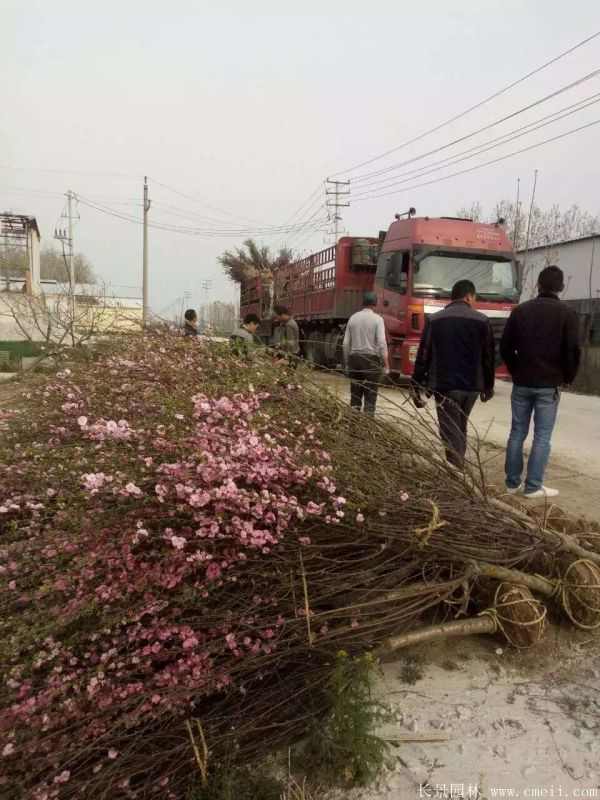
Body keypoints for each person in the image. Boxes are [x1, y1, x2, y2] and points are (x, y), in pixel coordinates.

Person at [501, 265, 581, 499]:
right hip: (549, 384)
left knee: (517, 432)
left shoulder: (520, 311)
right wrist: (567, 377)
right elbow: (572, 351)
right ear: (561, 287)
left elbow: (505, 347)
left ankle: (512, 483)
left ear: (538, 285)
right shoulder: (567, 313)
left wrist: (516, 370)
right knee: (542, 436)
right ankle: (533, 486)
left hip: (522, 381)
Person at [412, 279, 495, 468]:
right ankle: (458, 470)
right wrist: (488, 386)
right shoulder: (482, 321)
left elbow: (424, 354)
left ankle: (457, 472)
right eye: (474, 298)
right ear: (468, 296)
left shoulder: (435, 320)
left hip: (444, 386)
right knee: (460, 427)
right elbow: (489, 356)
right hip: (472, 387)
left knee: (450, 430)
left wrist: (417, 384)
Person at [342, 291, 389, 415]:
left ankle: (354, 427)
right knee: (370, 396)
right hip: (371, 362)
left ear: (363, 303)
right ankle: (367, 426)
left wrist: (347, 363)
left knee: (355, 397)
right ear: (375, 304)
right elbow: (382, 343)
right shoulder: (378, 319)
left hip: (355, 360)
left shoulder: (353, 318)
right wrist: (386, 364)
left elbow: (346, 344)